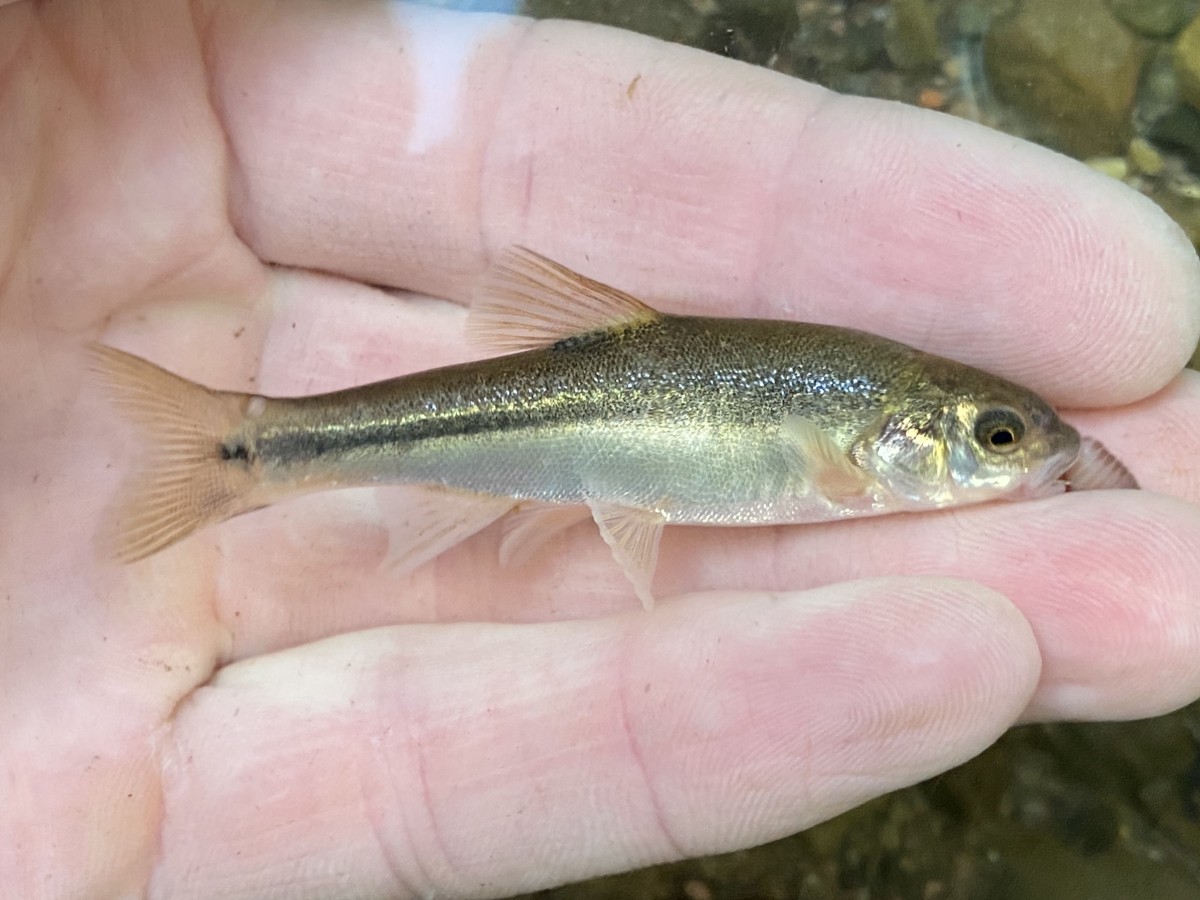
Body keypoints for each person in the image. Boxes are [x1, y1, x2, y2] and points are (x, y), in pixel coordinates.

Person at [3, 1, 1199, 897]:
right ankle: (253, 452)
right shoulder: (866, 415)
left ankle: (263, 451)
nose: (1015, 454)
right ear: (906, 436)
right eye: (996, 438)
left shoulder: (876, 396)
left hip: (588, 417)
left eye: (1006, 441)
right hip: (581, 410)